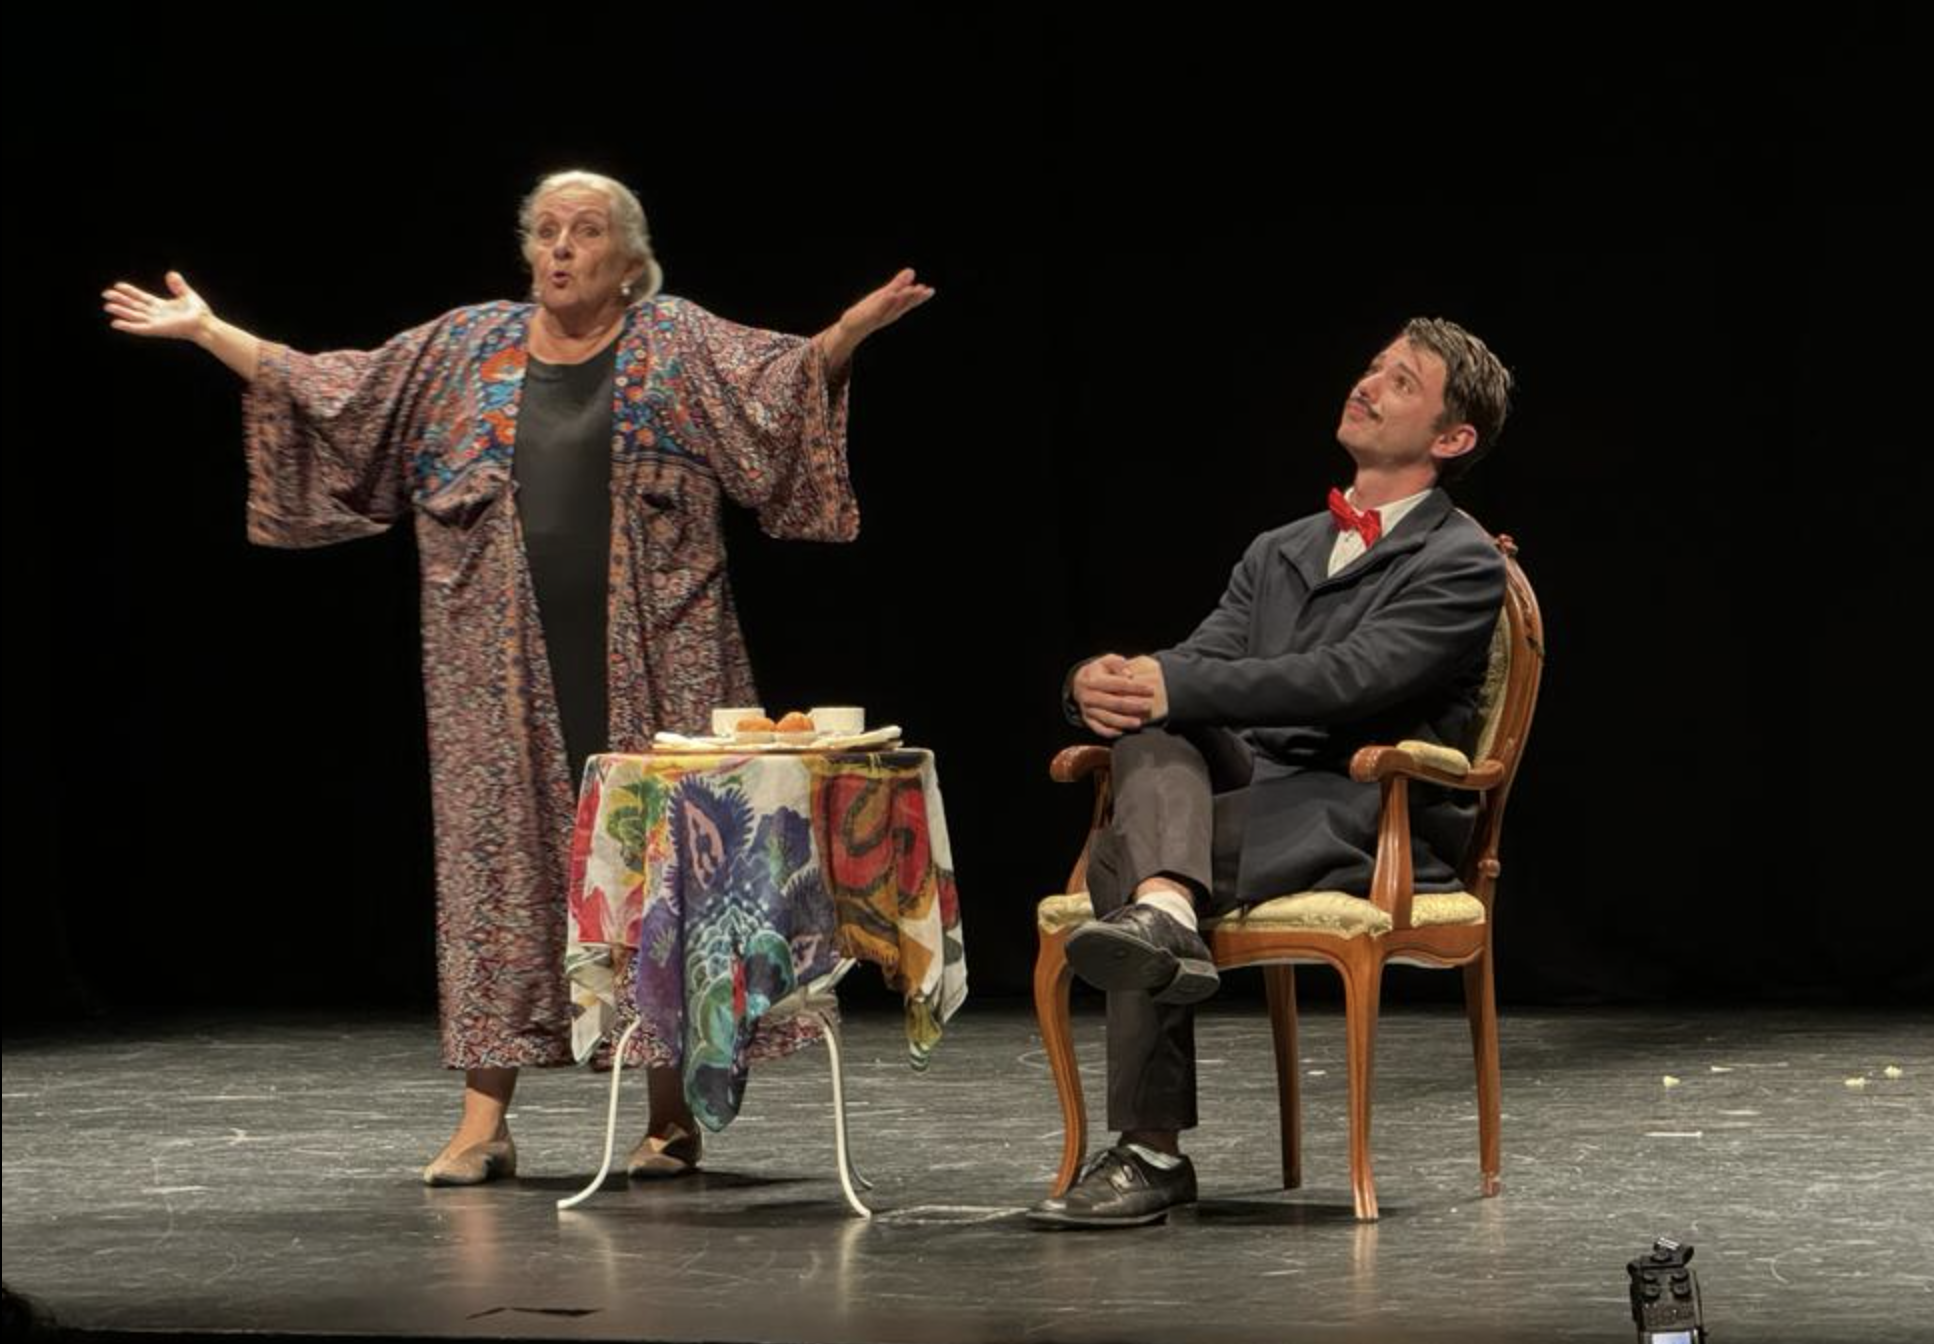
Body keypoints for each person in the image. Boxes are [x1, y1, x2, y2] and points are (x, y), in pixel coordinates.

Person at [102, 169, 933, 1185]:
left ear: (630, 262)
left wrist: (844, 333)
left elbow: (779, 390)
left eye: (583, 232)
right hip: (493, 668)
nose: (559, 249)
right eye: (544, 232)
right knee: (497, 872)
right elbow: (337, 390)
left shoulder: (673, 340)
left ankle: (670, 1116)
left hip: (657, 652)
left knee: (668, 870)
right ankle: (482, 1119)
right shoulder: (464, 346)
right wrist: (208, 332)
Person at [1032, 317, 1512, 1228]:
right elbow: (1200, 665)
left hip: (1365, 805)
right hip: (1255, 791)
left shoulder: (1461, 560)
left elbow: (1351, 681)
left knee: (1120, 862)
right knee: (1152, 733)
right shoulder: (1277, 549)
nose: (1368, 384)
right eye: (1372, 366)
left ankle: (1149, 1149)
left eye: (1401, 382)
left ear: (1451, 439)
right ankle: (1168, 909)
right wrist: (1102, 685)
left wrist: (1170, 683)